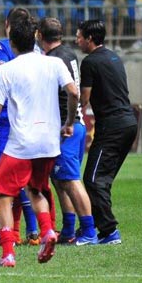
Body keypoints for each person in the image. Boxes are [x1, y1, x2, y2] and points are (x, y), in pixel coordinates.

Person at [0, 17, 77, 268]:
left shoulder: (7, 69)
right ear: (36, 37)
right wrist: (69, 122)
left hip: (21, 143)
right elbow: (73, 92)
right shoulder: (54, 63)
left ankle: (7, 253)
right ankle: (48, 230)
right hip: (49, 142)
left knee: (3, 195)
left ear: (12, 43)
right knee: (35, 189)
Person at [76, 19, 138, 245]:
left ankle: (109, 231)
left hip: (112, 126)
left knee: (93, 179)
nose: (77, 40)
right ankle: (98, 229)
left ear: (89, 39)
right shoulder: (114, 56)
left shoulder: (90, 62)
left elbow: (84, 98)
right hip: (128, 122)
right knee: (101, 179)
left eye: (79, 36)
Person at [38, 17, 98, 246]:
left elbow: (73, 93)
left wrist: (69, 122)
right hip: (70, 127)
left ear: (39, 36)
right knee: (60, 180)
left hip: (67, 129)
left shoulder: (54, 59)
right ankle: (68, 230)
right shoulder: (69, 53)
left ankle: (89, 231)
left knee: (71, 180)